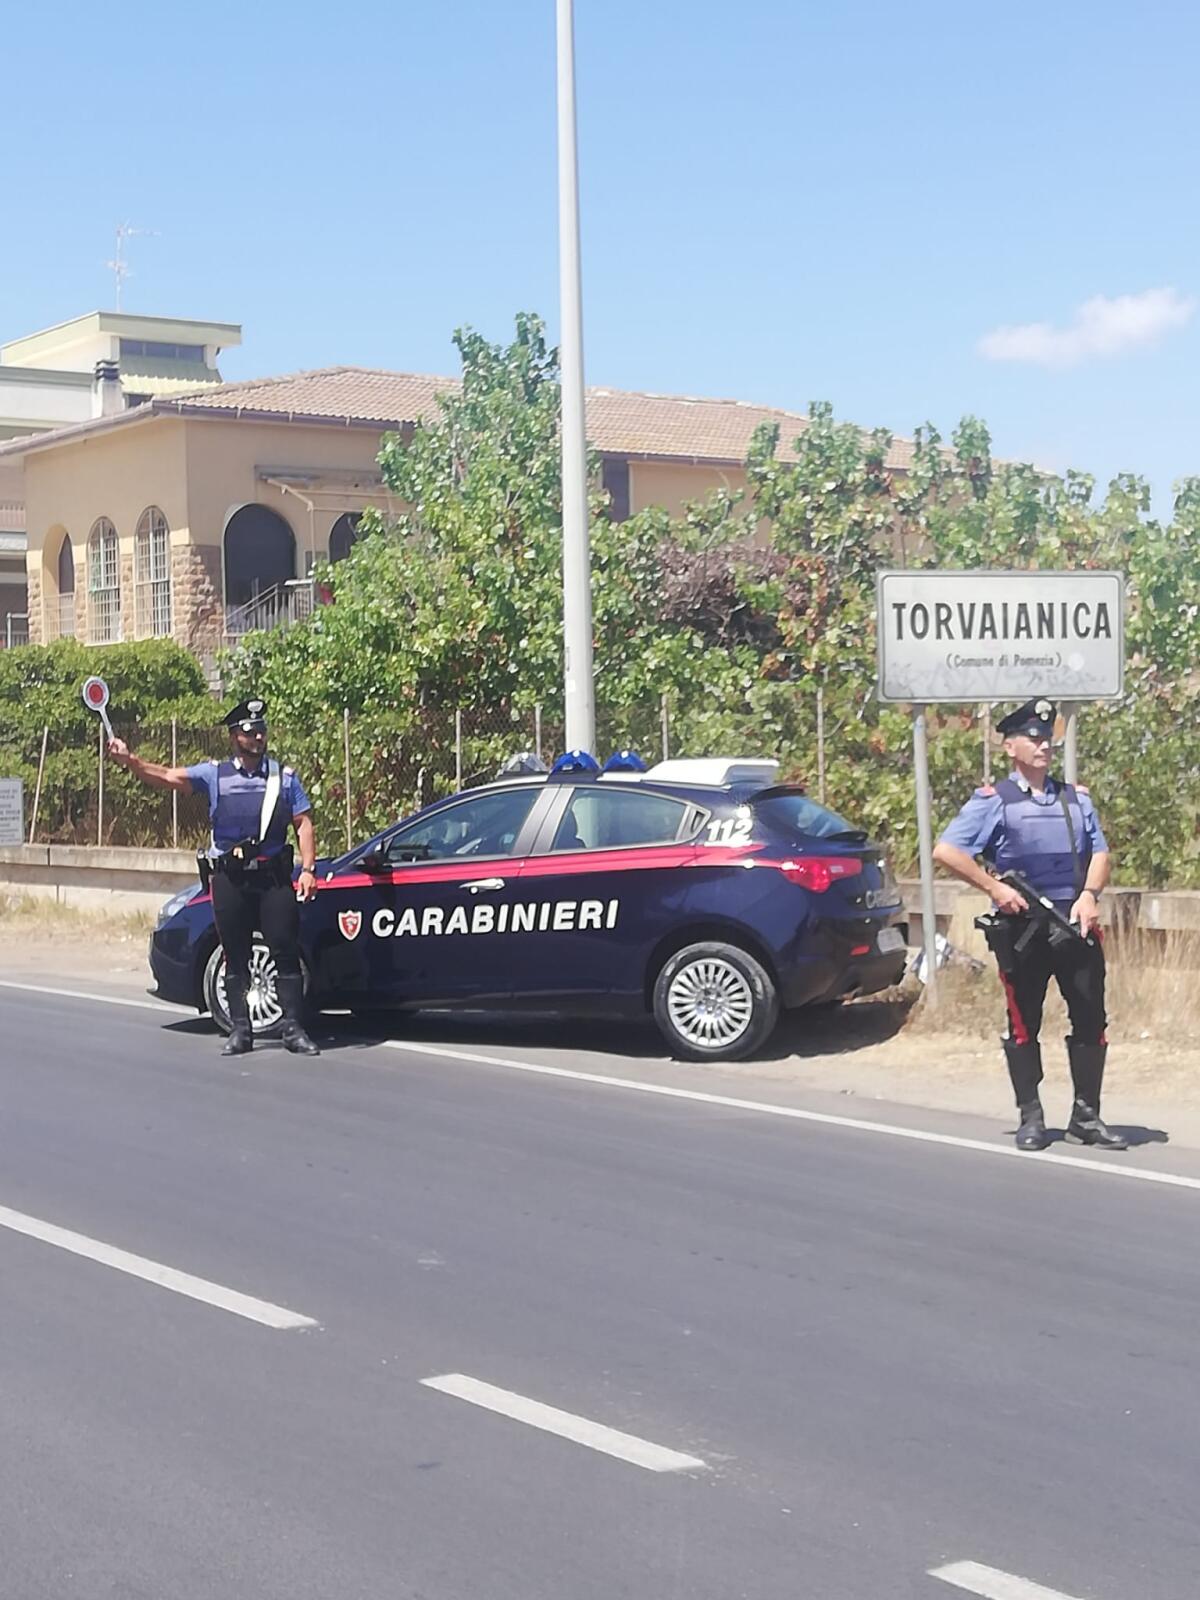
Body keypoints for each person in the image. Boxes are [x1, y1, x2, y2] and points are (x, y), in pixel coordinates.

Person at [932, 697, 1125, 1152]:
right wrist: (993, 888)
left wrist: (1089, 896)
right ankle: (1031, 1117)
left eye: (1047, 739)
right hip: (1024, 928)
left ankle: (1086, 1116)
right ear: (1010, 746)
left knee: (1091, 1019)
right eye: (1033, 739)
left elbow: (1100, 852)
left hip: (1074, 921)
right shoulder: (992, 802)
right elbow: (947, 851)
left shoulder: (1075, 798)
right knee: (1024, 1024)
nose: (1043, 746)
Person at [107, 697, 320, 1058]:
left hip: (273, 880)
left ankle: (293, 1030)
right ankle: (240, 1031)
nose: (257, 737)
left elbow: (303, 823)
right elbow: (168, 777)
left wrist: (309, 869)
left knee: (284, 951)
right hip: (230, 880)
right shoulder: (214, 774)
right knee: (235, 955)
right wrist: (130, 760)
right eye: (250, 732)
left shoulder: (283, 777)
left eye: (261, 731)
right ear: (235, 735)